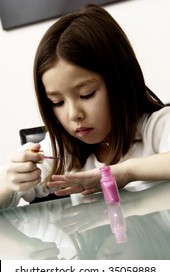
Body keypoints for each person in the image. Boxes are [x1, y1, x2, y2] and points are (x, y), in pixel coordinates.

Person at [0, 4, 170, 208]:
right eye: (57, 102)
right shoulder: (61, 151)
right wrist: (7, 184)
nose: (73, 115)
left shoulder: (157, 128)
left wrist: (125, 172)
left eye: (86, 94)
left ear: (119, 81)